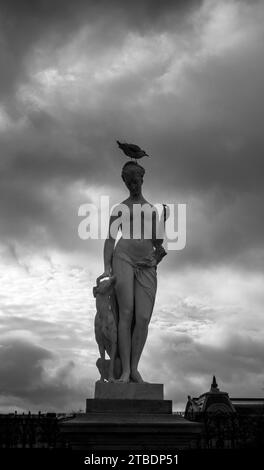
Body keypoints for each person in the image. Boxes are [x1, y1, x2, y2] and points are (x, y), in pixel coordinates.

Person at [96, 161, 167, 383]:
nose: (133, 184)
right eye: (129, 181)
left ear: (142, 180)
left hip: (146, 263)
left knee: (143, 317)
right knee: (125, 314)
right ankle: (126, 371)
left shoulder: (152, 210)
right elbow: (110, 239)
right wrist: (107, 268)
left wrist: (156, 256)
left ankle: (134, 367)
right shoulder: (119, 209)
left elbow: (159, 245)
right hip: (123, 257)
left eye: (136, 180)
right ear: (125, 182)